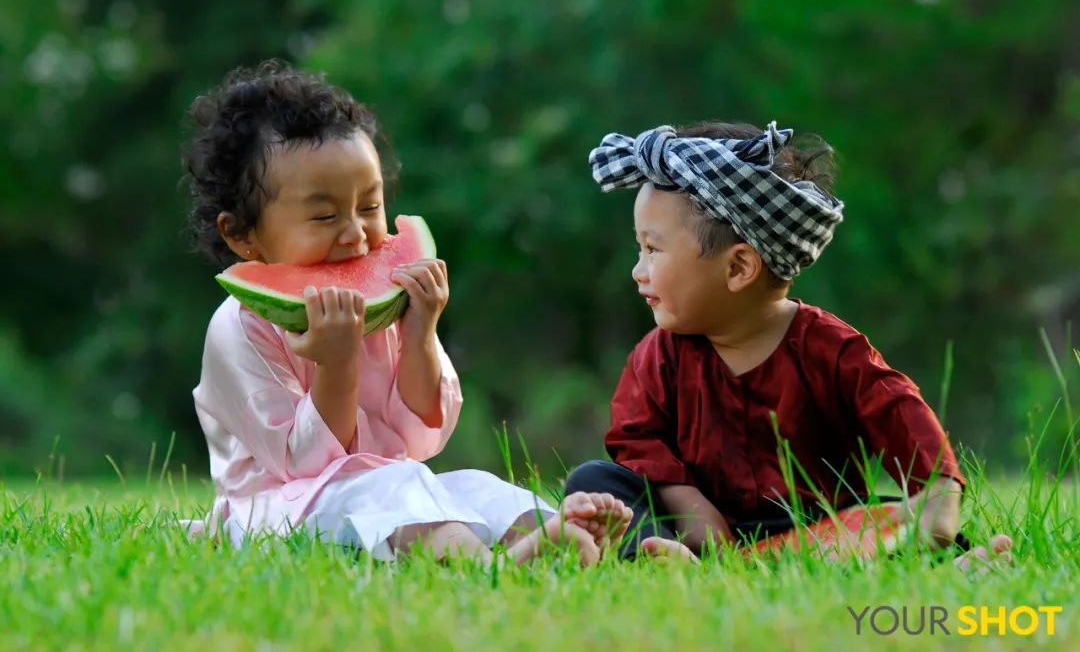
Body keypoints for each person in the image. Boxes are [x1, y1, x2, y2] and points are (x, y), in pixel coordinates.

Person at [183, 60, 630, 564]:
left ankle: (557, 533)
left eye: (370, 207)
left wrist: (420, 335)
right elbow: (302, 465)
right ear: (242, 234)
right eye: (325, 216)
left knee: (472, 486)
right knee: (394, 488)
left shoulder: (385, 303)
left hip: (394, 483)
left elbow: (420, 439)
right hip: (276, 511)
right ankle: (492, 568)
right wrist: (336, 363)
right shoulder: (240, 327)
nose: (355, 234)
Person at [565, 121, 1012, 565]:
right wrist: (692, 509)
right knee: (595, 481)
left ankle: (956, 564)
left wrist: (937, 496)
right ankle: (666, 559)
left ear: (739, 268)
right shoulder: (659, 356)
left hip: (813, 526)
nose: (638, 270)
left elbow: (899, 413)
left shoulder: (829, 349)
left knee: (887, 521)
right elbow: (638, 439)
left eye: (652, 250)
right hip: (693, 524)